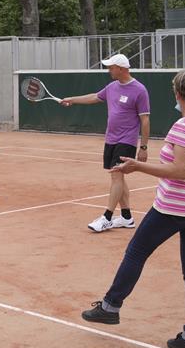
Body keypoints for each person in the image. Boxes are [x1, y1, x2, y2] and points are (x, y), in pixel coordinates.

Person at [80, 69, 185, 348]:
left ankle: (110, 307)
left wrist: (138, 166)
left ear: (177, 93)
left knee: (136, 253)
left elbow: (180, 171)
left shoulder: (184, 127)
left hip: (175, 207)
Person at [60, 54, 150, 232]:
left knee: (116, 175)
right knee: (117, 176)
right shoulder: (112, 87)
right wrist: (72, 99)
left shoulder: (140, 90)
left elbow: (145, 120)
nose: (109, 69)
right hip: (111, 139)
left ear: (122, 68)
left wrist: (144, 147)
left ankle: (107, 217)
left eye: (111, 67)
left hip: (127, 140)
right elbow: (94, 97)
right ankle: (126, 217)